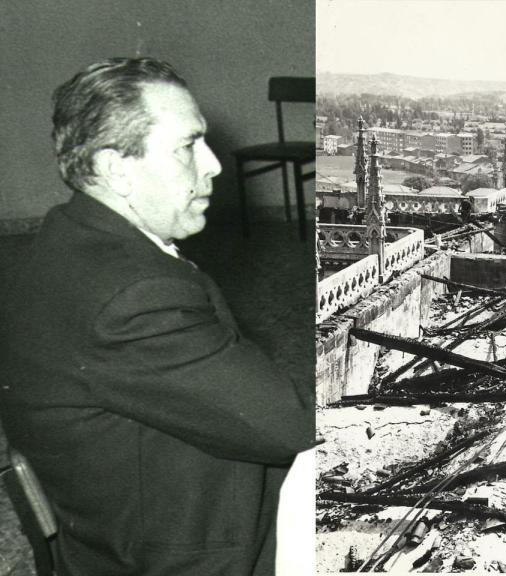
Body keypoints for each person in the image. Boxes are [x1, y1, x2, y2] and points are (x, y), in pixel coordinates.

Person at [0, 58, 314, 575]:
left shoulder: (67, 236)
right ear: (115, 168)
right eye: (188, 146)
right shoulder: (136, 295)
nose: (213, 164)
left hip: (129, 513)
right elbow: (289, 426)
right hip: (177, 550)